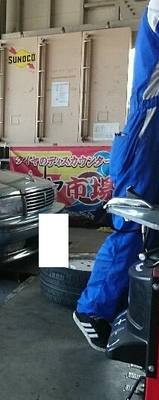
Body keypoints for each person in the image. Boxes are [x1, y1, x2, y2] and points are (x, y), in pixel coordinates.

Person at [73, 0, 159, 352]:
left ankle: (133, 308)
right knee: (133, 227)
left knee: (151, 235)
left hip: (150, 138)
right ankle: (91, 311)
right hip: (147, 133)